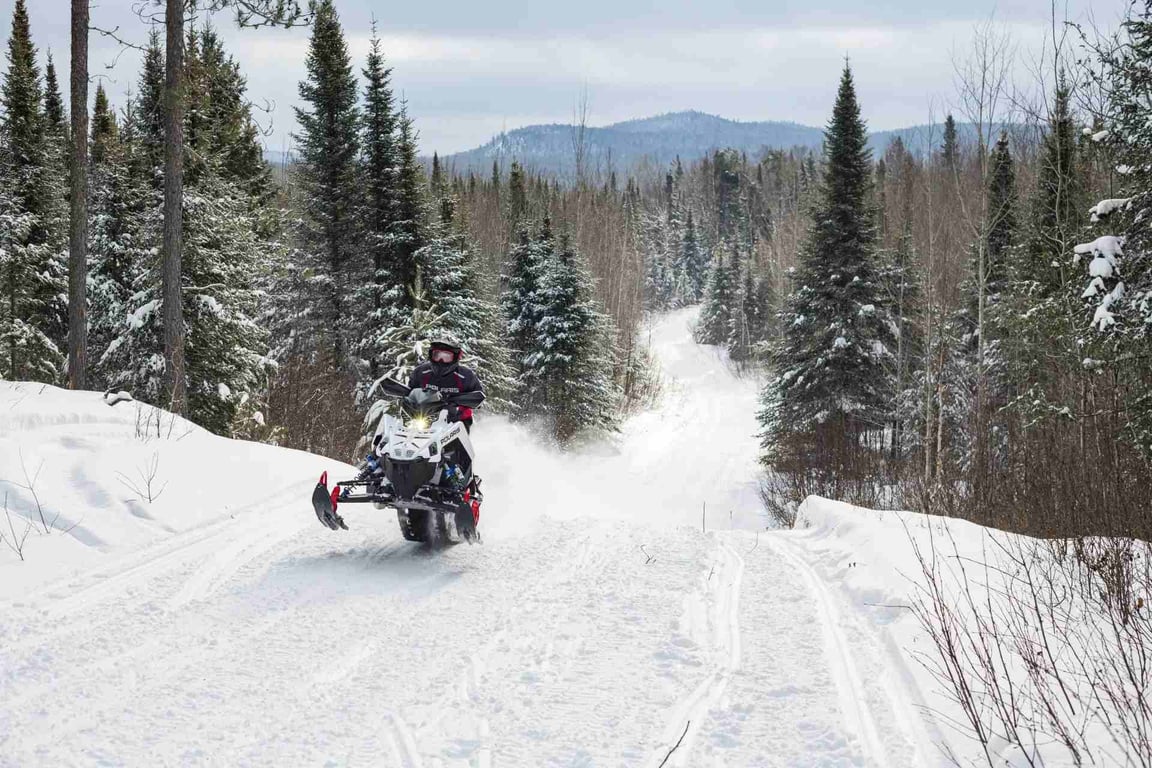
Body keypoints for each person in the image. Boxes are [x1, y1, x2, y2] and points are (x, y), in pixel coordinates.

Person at [407, 338, 485, 528]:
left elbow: (478, 395)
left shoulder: (465, 376)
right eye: (437, 356)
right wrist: (406, 399)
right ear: (431, 355)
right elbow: (409, 392)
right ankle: (385, 471)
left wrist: (463, 401)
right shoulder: (422, 372)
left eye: (446, 356)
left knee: (454, 454)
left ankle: (462, 485)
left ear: (455, 357)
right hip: (424, 420)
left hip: (456, 421)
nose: (441, 361)